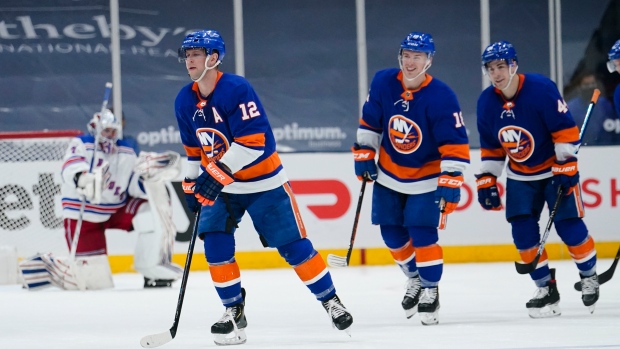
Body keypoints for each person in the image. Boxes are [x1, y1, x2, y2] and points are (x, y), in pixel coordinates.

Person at [174, 29, 353, 345]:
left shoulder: (236, 88)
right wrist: (191, 183)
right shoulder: (183, 100)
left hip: (263, 183)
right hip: (223, 186)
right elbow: (193, 148)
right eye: (187, 55)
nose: (189, 60)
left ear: (213, 58)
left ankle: (330, 300)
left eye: (196, 54)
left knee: (293, 247)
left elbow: (255, 143)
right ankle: (233, 311)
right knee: (214, 244)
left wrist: (215, 173)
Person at [475, 41, 600, 318]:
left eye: (501, 66)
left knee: (569, 227)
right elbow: (493, 147)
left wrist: (566, 163)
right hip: (520, 177)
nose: (496, 73)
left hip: (553, 170)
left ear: (514, 65)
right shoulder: (486, 102)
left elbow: (564, 130)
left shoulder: (541, 89)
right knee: (522, 234)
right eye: (491, 68)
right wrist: (487, 178)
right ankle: (545, 288)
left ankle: (589, 275)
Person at [352, 31, 470, 326]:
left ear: (429, 61)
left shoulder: (442, 96)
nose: (410, 61)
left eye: (417, 56)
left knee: (423, 234)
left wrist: (452, 177)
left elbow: (454, 143)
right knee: (391, 234)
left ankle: (431, 290)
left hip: (426, 178)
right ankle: (415, 278)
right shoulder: (383, 82)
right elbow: (371, 121)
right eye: (406, 55)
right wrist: (365, 153)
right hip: (390, 174)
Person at [20, 108, 184, 291]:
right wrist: (82, 178)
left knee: (151, 214)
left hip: (115, 209)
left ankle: (152, 268)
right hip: (84, 215)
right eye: (106, 130)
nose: (111, 135)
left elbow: (131, 185)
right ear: (96, 128)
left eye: (114, 130)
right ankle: (45, 267)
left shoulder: (126, 150)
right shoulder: (82, 143)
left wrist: (148, 178)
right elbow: (70, 165)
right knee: (96, 282)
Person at [565, 73, 616, 145]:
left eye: (592, 83)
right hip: (581, 149)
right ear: (579, 87)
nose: (590, 87)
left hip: (605, 148)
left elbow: (613, 128)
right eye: (586, 84)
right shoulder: (571, 107)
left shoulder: (604, 104)